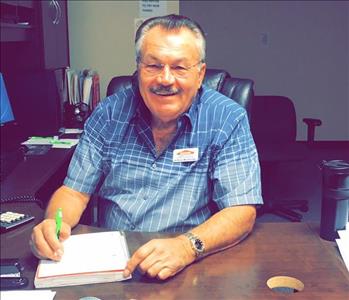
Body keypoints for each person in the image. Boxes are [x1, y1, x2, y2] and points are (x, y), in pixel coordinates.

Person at [30, 14, 263, 280]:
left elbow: (241, 210)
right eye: (153, 66)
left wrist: (187, 247)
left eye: (179, 68)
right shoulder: (108, 113)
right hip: (112, 261)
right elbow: (73, 193)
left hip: (188, 262)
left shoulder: (227, 119)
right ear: (138, 69)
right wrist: (52, 223)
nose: (165, 79)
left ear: (199, 75)